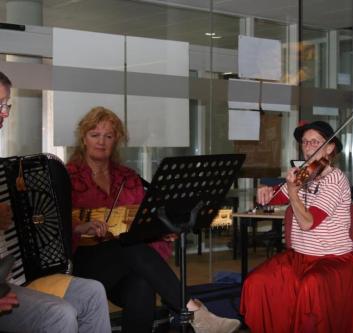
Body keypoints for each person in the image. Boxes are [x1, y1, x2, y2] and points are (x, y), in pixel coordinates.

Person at [69, 106, 240, 333]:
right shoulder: (67, 176)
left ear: (116, 140)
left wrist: (160, 230)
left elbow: (144, 220)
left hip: (124, 265)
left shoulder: (128, 177)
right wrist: (80, 227)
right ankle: (195, 313)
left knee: (142, 285)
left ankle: (192, 314)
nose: (101, 142)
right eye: (95, 135)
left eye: (108, 136)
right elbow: (50, 222)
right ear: (83, 138)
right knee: (128, 245)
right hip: (84, 263)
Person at [0, 71, 111, 333]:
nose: (5, 112)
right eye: (0, 104)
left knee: (93, 292)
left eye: (6, 105)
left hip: (16, 276)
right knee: (60, 314)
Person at [240, 120, 353, 333]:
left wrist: (293, 191)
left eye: (315, 141)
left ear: (330, 147)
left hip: (332, 259)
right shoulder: (306, 173)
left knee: (310, 287)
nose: (308, 146)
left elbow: (307, 223)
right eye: (305, 142)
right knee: (257, 281)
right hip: (300, 256)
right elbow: (277, 197)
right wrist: (266, 192)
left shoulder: (335, 180)